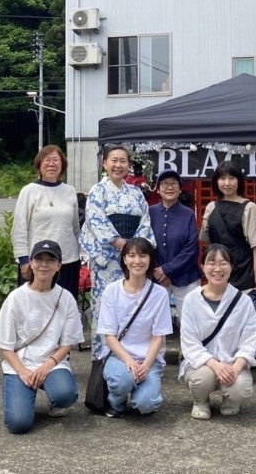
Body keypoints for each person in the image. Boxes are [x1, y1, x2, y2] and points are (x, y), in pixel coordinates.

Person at [0, 241, 85, 433]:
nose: (44, 265)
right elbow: (5, 346)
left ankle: (53, 399)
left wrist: (46, 367)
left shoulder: (66, 298)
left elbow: (67, 344)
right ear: (31, 263)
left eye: (51, 260)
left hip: (52, 363)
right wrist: (23, 372)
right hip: (20, 363)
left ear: (59, 265)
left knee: (65, 395)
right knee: (18, 424)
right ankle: (22, 394)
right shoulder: (16, 298)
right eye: (39, 259)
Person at [79, 145, 154, 356]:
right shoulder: (97, 191)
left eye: (123, 161)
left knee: (132, 306)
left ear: (128, 165)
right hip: (108, 260)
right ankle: (102, 357)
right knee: (105, 307)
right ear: (105, 164)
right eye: (114, 160)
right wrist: (119, 243)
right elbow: (95, 220)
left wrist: (135, 249)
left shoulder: (136, 193)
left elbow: (145, 222)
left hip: (133, 261)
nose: (118, 165)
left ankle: (132, 354)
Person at [179, 244, 256, 420]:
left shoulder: (244, 302)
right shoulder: (191, 300)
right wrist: (215, 365)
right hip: (201, 364)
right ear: (202, 266)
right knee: (203, 378)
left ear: (232, 267)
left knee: (242, 389)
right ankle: (200, 401)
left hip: (232, 363)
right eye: (211, 263)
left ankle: (230, 398)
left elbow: (250, 341)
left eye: (223, 263)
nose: (217, 269)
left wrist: (235, 368)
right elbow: (189, 342)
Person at [97, 237, 173, 417]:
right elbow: (109, 335)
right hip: (119, 356)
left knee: (146, 405)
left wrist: (145, 365)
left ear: (150, 260)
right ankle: (116, 402)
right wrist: (129, 361)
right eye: (131, 256)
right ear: (124, 259)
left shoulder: (160, 294)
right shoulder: (112, 291)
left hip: (149, 359)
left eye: (143, 256)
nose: (137, 261)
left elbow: (158, 336)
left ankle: (144, 393)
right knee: (122, 380)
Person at [199, 163, 256, 355]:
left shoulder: (249, 207)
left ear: (239, 181)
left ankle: (250, 350)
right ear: (216, 182)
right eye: (222, 178)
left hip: (243, 267)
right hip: (218, 268)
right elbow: (205, 239)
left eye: (231, 178)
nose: (227, 183)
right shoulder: (211, 207)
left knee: (245, 311)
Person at [12, 145, 81, 297]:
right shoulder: (29, 191)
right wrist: (24, 260)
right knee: (33, 305)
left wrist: (82, 254)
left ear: (62, 165)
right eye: (47, 160)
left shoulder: (70, 191)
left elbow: (75, 228)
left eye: (56, 160)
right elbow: (19, 228)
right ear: (39, 164)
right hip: (37, 261)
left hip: (67, 260)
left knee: (64, 305)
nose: (51, 164)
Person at [149, 170, 202, 320]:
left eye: (173, 184)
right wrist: (158, 270)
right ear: (158, 189)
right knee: (155, 321)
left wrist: (167, 270)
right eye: (165, 184)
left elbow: (191, 248)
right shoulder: (149, 212)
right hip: (156, 277)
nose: (169, 187)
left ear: (179, 189)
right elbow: (146, 243)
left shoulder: (188, 214)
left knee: (190, 320)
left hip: (186, 276)